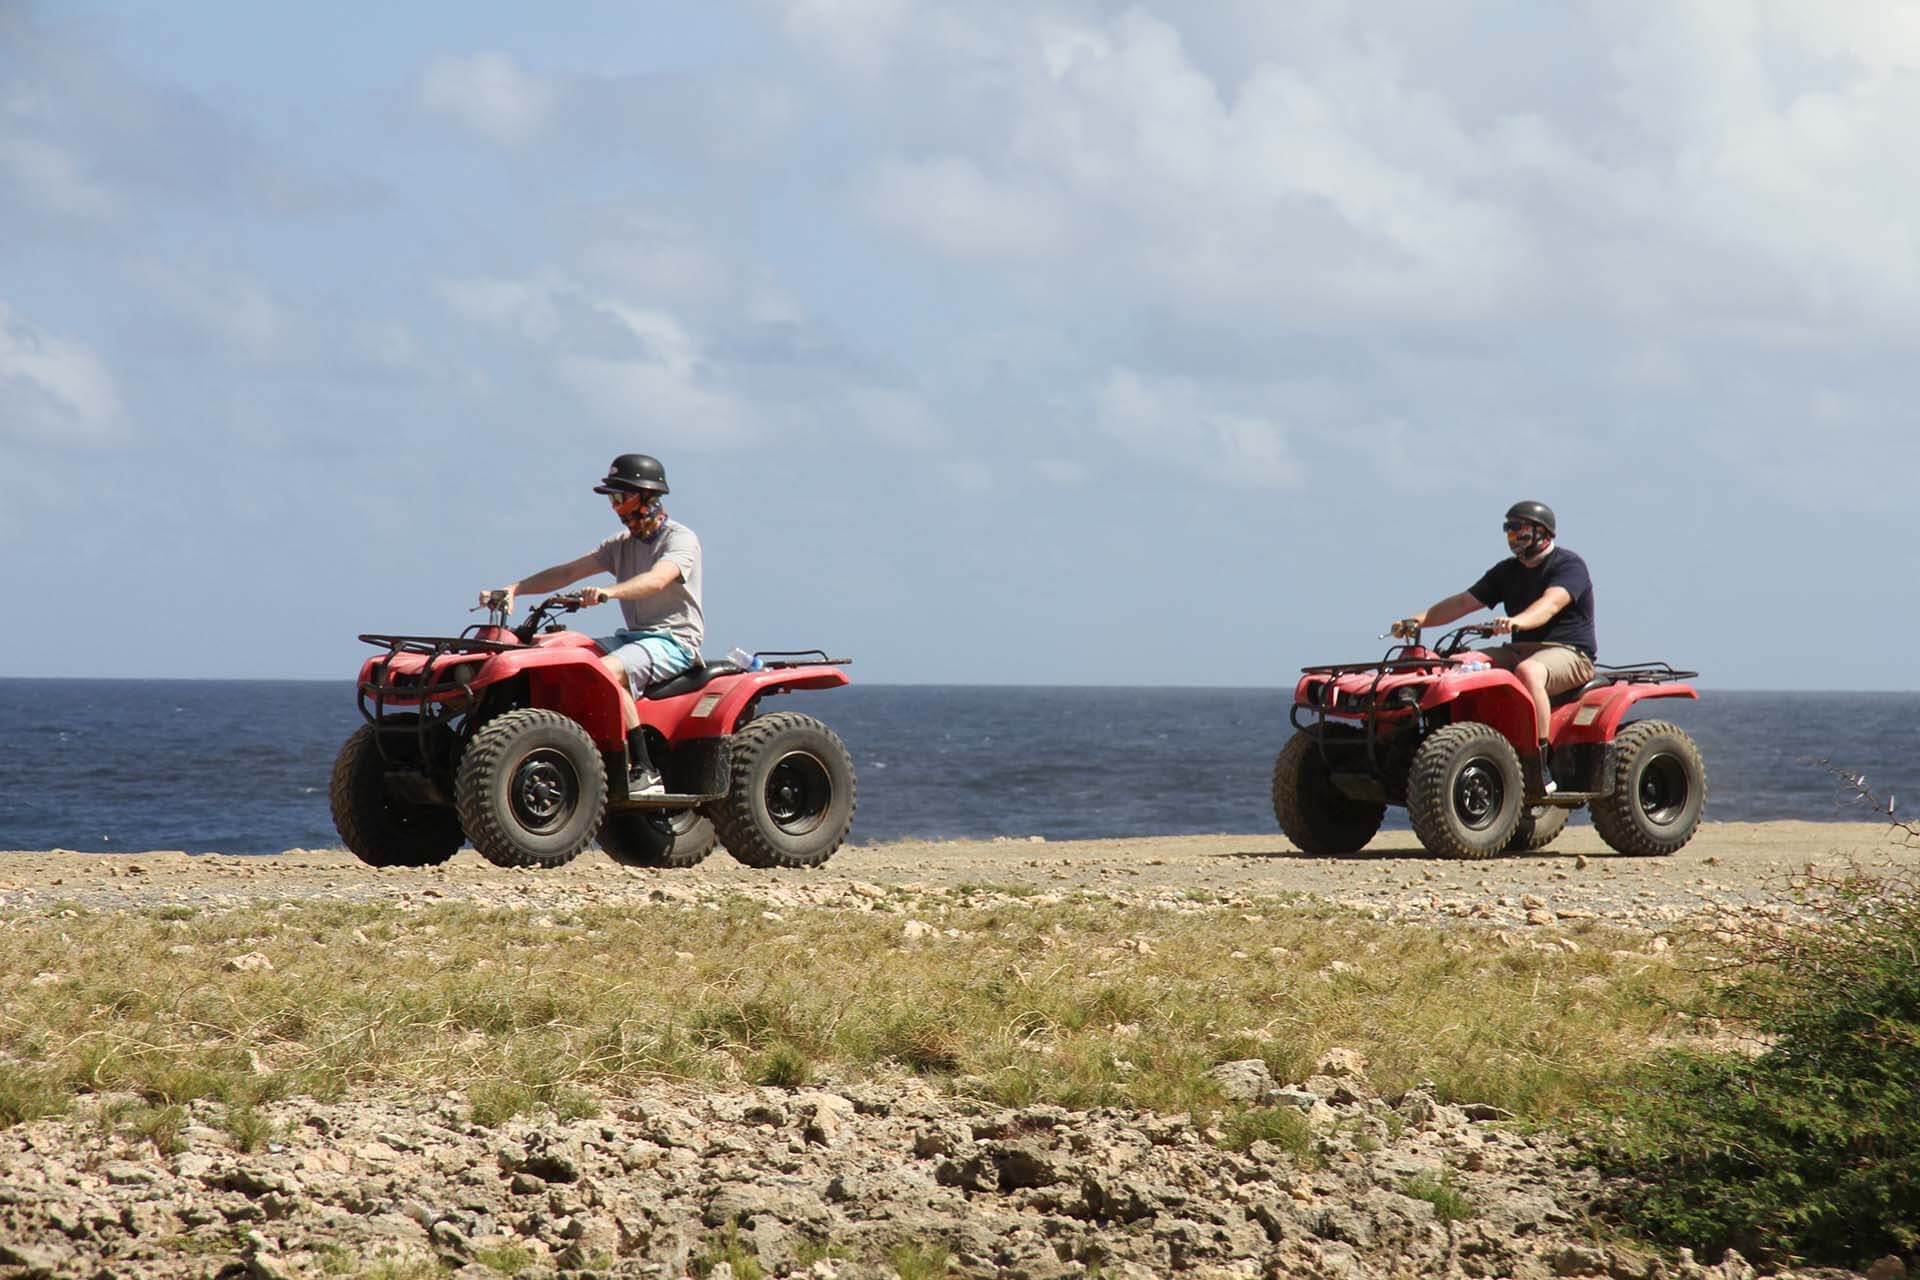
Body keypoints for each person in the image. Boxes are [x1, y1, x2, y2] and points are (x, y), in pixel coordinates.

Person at [481, 454, 704, 796]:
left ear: (645, 496)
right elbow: (567, 572)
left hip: (674, 641)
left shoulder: (680, 539)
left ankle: (644, 769)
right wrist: (516, 588)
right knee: (553, 654)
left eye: (619, 497)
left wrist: (606, 592)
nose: (614, 507)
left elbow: (657, 580)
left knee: (605, 671)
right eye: (611, 499)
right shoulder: (619, 545)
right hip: (632, 638)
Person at [1390, 500, 1596, 794]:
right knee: (1456, 665)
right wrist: (1416, 620)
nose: (1512, 537)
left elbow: (1549, 605)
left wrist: (1516, 622)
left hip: (1569, 653)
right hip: (1519, 649)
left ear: (1543, 532)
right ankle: (1455, 746)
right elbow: (1463, 602)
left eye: (1519, 529)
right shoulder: (1507, 571)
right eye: (1508, 530)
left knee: (1529, 672)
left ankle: (1538, 762)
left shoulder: (1568, 565)